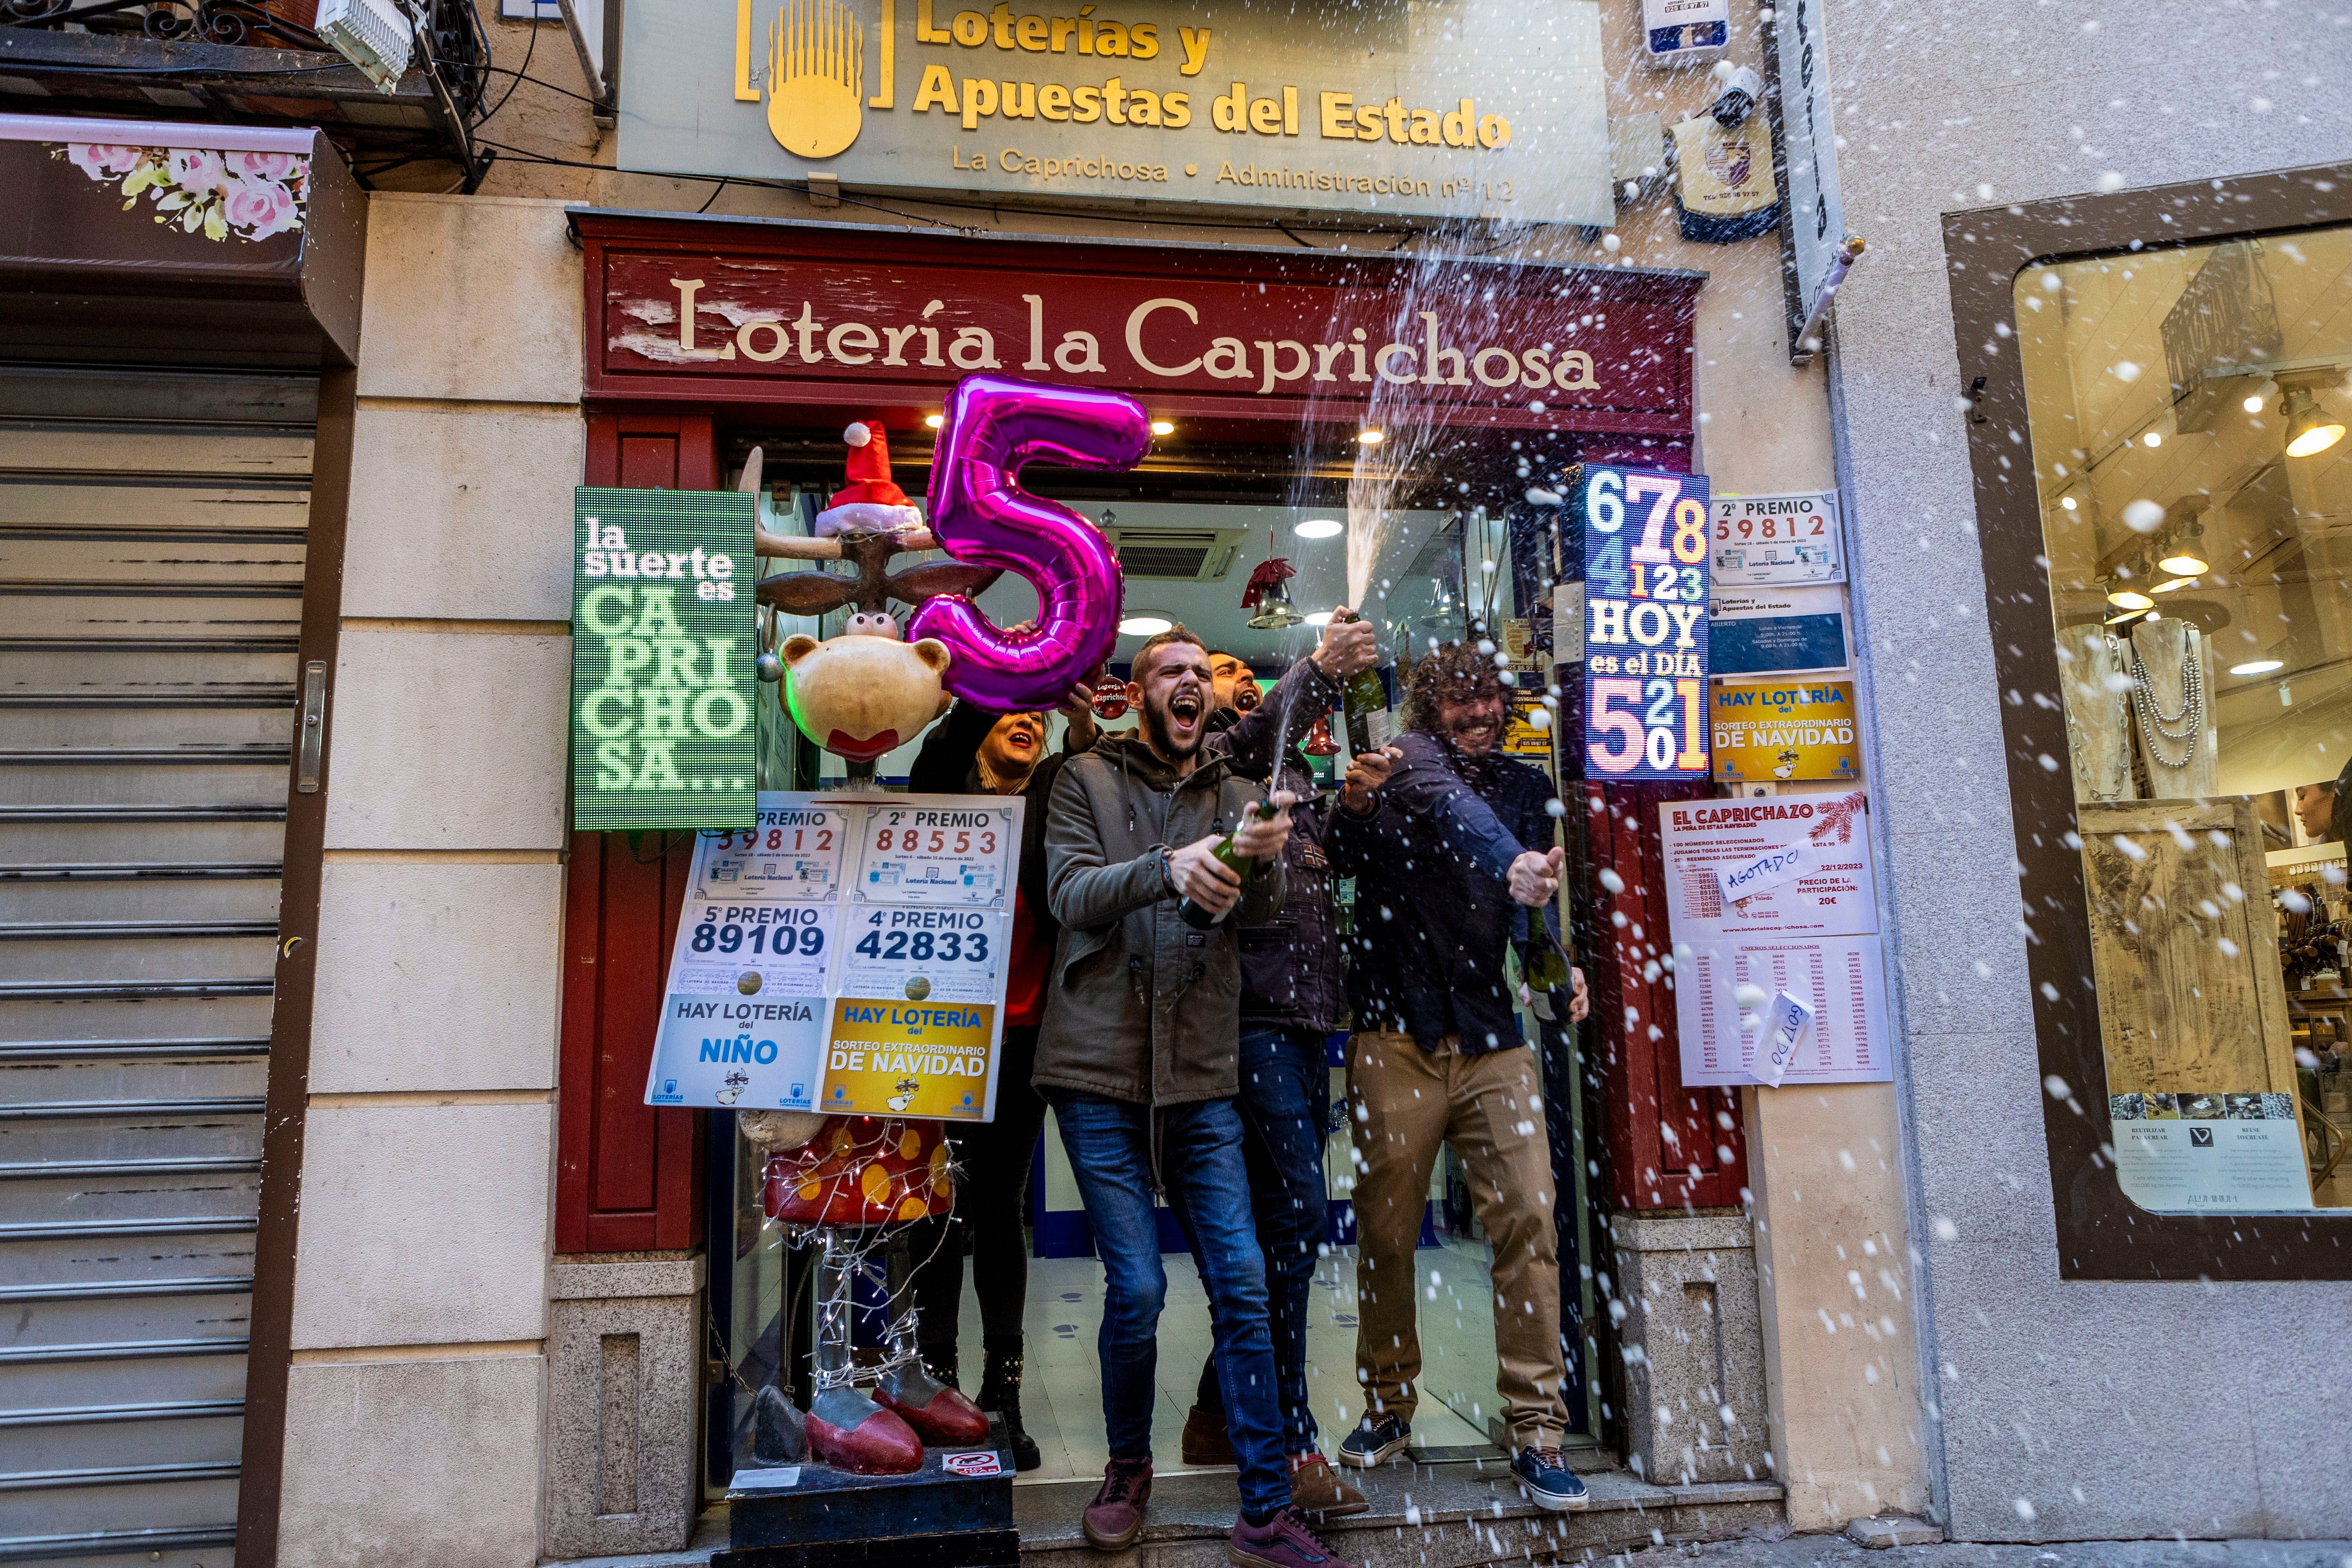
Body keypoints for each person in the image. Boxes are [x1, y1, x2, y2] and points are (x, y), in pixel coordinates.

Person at [1038, 626, 1353, 1568]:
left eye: (1197, 676)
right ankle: (1127, 1466)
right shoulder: (1082, 780)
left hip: (1203, 1071)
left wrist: (1252, 864)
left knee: (1244, 1281)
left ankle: (1264, 1508)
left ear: (1211, 705)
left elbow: (1252, 917)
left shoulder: (1244, 794)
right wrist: (1166, 866)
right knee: (1135, 1285)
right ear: (1141, 694)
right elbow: (1067, 892)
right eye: (1168, 671)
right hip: (1094, 1070)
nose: (1187, 684)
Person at [1334, 640, 1594, 1513]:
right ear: (1428, 711)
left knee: (1529, 1218)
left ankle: (1537, 1427)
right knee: (1387, 1231)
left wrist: (1556, 964)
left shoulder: (1525, 788)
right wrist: (1362, 805)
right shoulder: (1402, 770)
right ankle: (1387, 1404)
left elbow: (1533, 905)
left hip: (1494, 1043)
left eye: (1491, 701)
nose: (1481, 716)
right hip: (1393, 1038)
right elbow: (1377, 842)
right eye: (1461, 703)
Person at [1178, 615, 1390, 1519]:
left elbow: (1333, 882)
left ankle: (1220, 1412)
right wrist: (1311, 667)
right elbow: (1252, 734)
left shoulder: (1294, 777)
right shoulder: (1216, 765)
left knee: (1279, 1232)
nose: (1226, 684)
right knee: (1298, 1214)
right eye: (1211, 673)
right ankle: (1293, 1437)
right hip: (1253, 1023)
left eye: (1236, 671)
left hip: (1312, 1024)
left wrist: (1352, 809)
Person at [903, 682, 1099, 1471]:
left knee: (998, 1207)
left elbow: (1079, 766)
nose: (1024, 720)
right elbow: (947, 747)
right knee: (938, 1207)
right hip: (938, 1034)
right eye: (1007, 712)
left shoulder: (1052, 796)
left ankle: (1003, 1395)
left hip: (1022, 1039)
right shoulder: (943, 783)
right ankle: (939, 1385)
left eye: (1035, 714)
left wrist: (1077, 718)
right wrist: (999, 680)